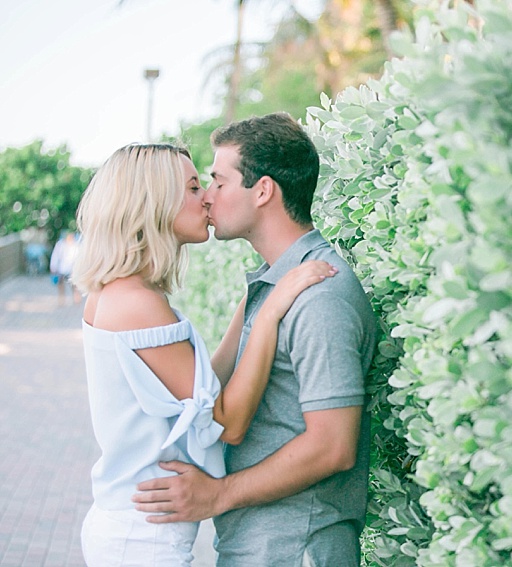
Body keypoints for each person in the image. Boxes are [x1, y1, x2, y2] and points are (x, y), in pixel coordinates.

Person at [72, 143, 337, 567]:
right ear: (154, 203)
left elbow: (197, 393)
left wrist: (253, 302)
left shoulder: (118, 291)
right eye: (194, 187)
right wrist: (268, 317)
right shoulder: (137, 304)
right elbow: (226, 422)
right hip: (142, 539)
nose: (208, 197)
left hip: (132, 528)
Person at [133, 113, 378, 566]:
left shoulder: (318, 296)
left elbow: (333, 446)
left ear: (262, 190)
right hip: (263, 545)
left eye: (218, 182)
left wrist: (218, 495)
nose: (206, 197)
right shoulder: (275, 287)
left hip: (296, 548)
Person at [50, 230, 82, 304]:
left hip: (73, 269)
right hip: (62, 269)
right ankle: (61, 300)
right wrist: (53, 267)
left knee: (75, 285)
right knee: (61, 285)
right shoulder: (60, 244)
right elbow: (55, 256)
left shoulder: (76, 245)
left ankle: (76, 299)